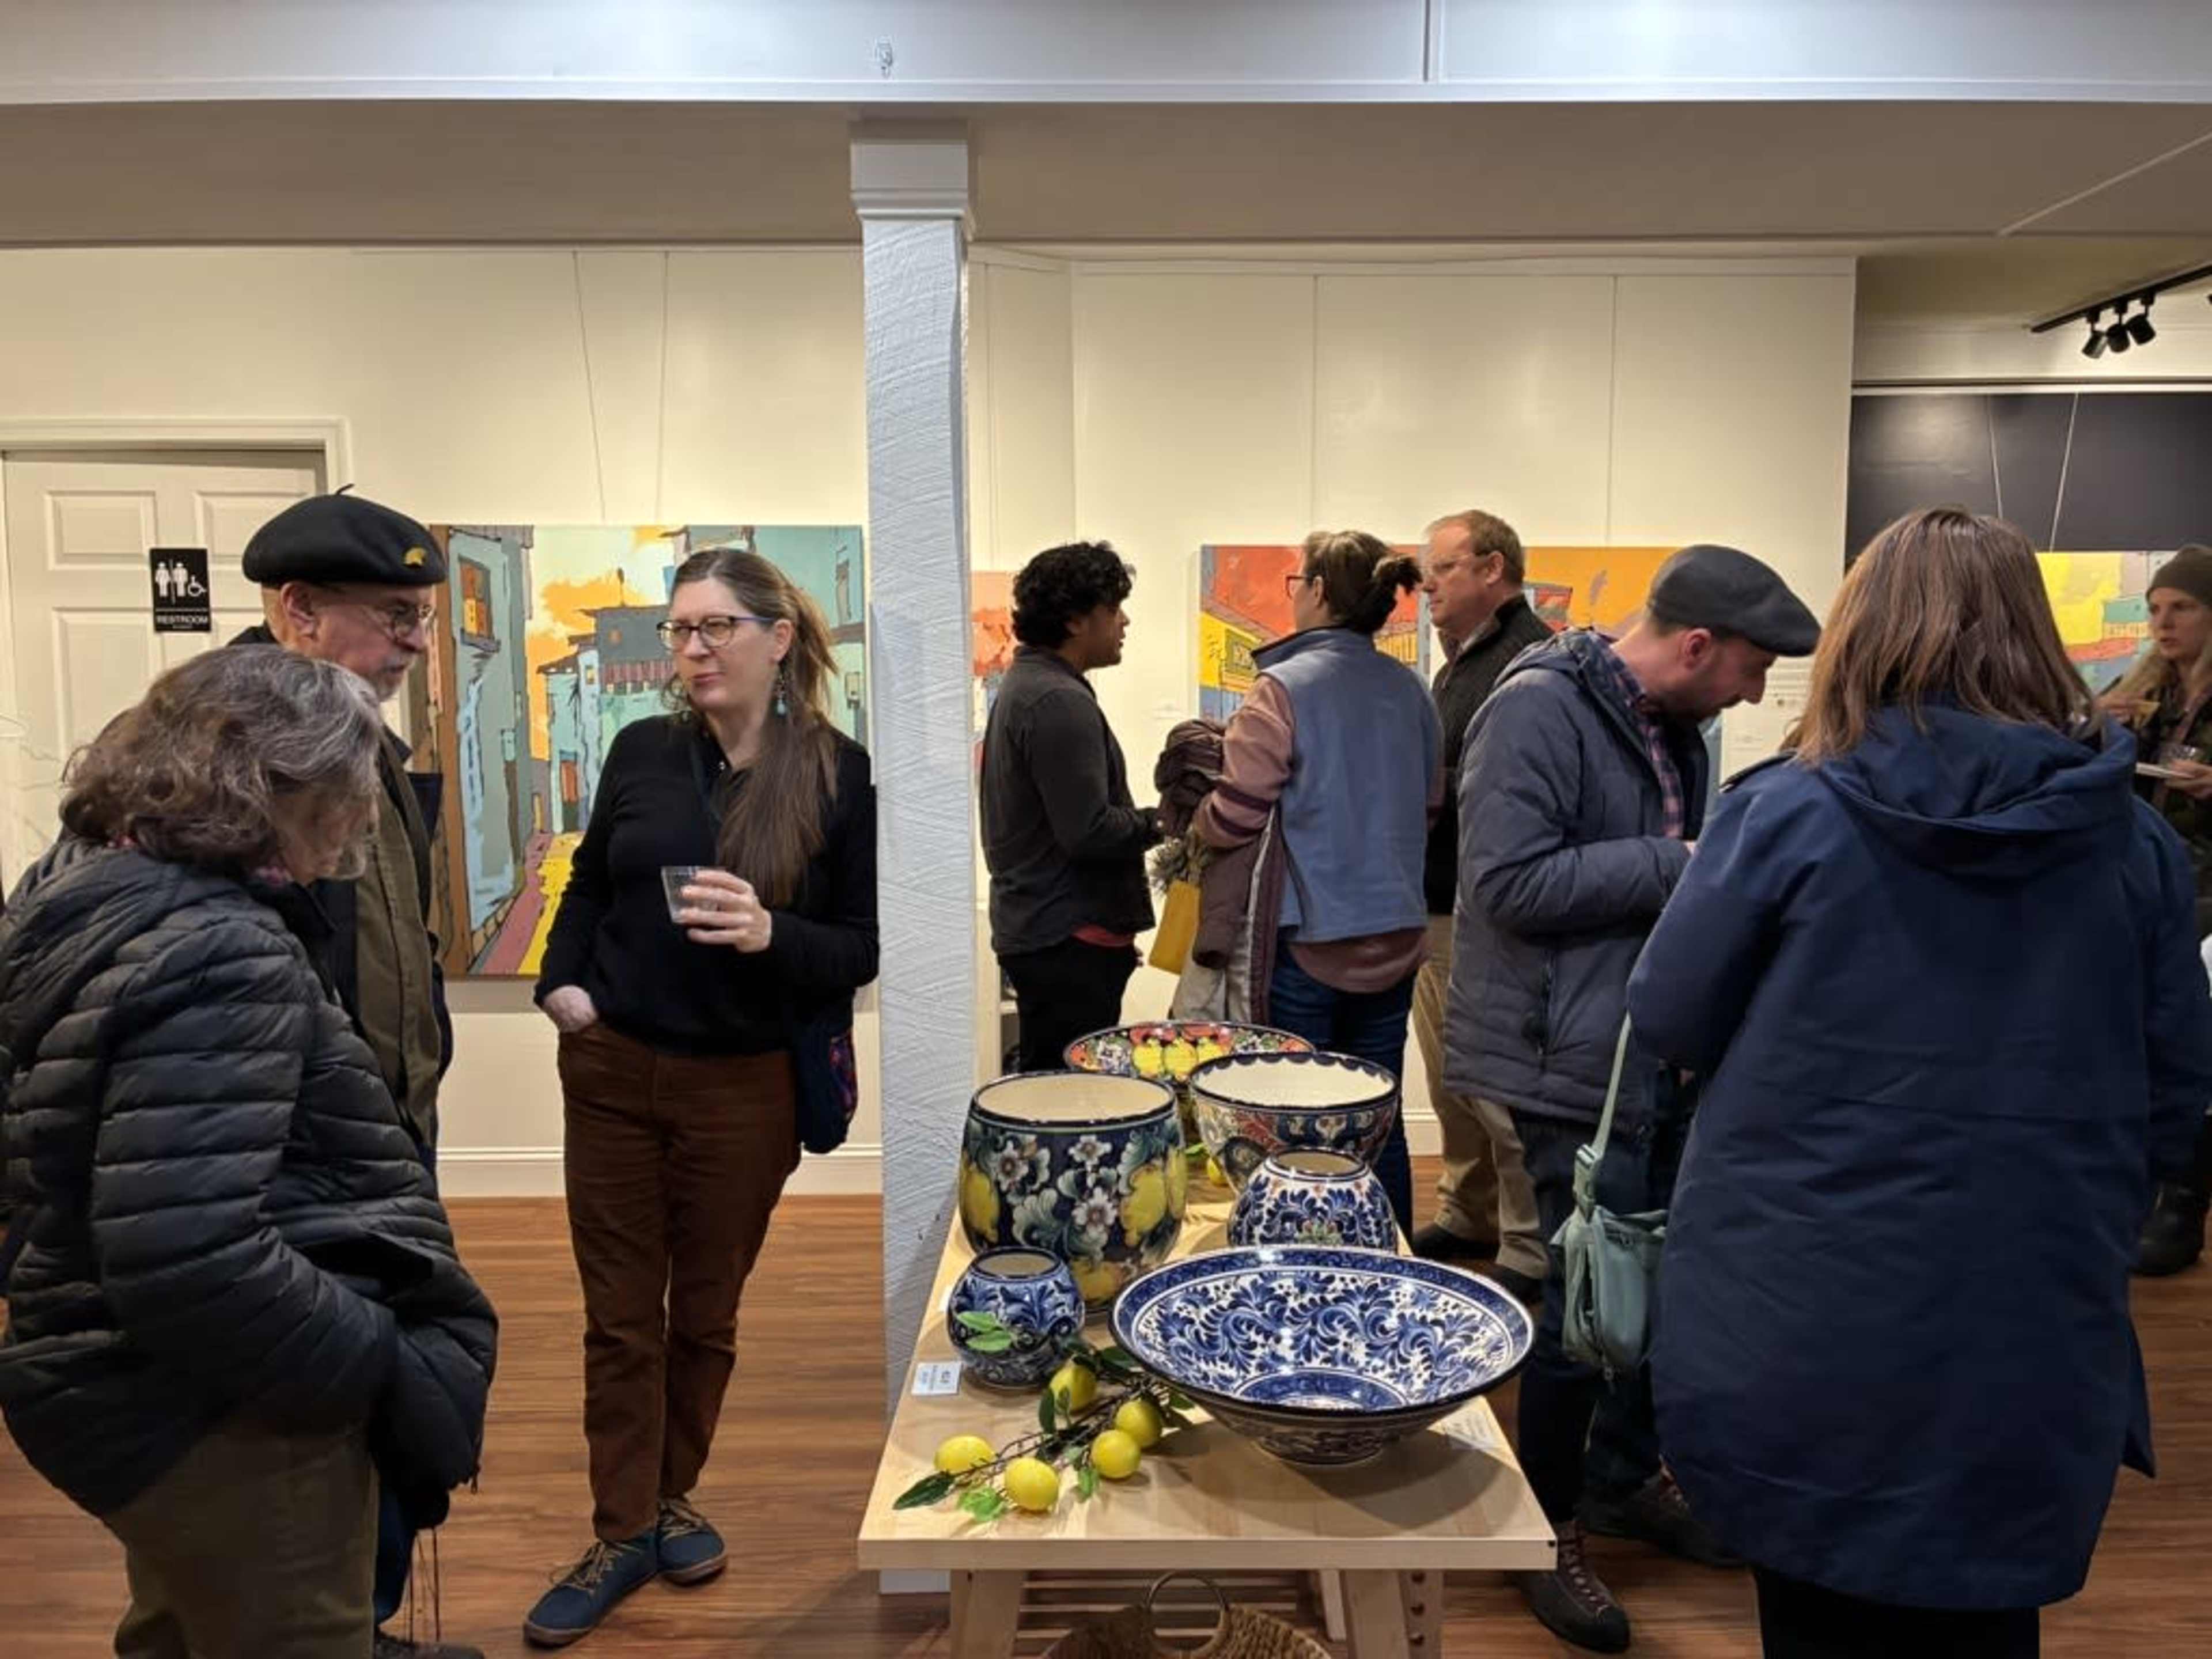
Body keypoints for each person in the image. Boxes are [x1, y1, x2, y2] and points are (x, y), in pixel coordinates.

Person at [1628, 508, 2212, 1659]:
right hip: (2026, 1301)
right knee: (1989, 1611)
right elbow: (2174, 1090)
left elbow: (1668, 1016)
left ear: (1862, 634)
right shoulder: (2131, 847)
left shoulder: (1784, 814)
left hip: (1802, 1297)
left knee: (1811, 1604)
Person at [0, 647, 497, 1659]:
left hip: (115, 1374)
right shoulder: (222, 948)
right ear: (278, 785)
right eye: (351, 787)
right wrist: (379, 1360)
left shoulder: (83, 891)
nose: (364, 815)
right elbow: (189, 1259)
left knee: (182, 1628)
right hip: (219, 1412)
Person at [1448, 543, 1818, 1652]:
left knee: (1651, 1292)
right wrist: (1695, 861)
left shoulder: (1673, 723)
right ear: (1698, 645)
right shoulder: (1536, 711)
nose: (1756, 695)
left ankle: (1617, 1483)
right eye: (1752, 669)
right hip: (1563, 1061)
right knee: (1579, 1311)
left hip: (1642, 1050)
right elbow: (1507, 883)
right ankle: (1546, 1527)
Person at [528, 545, 878, 1647]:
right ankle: (623, 1526)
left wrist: (775, 932)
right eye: (680, 631)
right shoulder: (640, 750)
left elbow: (861, 946)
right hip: (614, 1071)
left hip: (746, 1088)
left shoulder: (837, 771)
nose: (691, 650)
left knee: (707, 1313)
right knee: (621, 1315)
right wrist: (561, 980)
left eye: (714, 627)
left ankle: (672, 1492)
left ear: (779, 640)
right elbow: (589, 881)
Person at [233, 491, 469, 1658]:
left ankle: (357, 1630)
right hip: (290, 1165)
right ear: (299, 611)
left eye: (422, 616)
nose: (417, 641)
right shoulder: (225, 752)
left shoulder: (358, 734)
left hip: (381, 1136)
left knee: (375, 1405)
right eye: (395, 616)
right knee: (303, 1424)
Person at [1196, 529, 1441, 1232]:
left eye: (1297, 579)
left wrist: (1197, 823)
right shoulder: (1412, 690)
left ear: (1322, 592)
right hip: (1395, 933)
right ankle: (1388, 1267)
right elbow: (1428, 808)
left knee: (1297, 1123)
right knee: (1379, 1121)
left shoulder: (1283, 688)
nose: (1293, 591)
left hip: (1310, 938)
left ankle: (1301, 1273)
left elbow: (1239, 812)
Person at [1407, 507, 1555, 1298]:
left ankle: (1527, 1247)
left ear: (1493, 568)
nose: (1428, 583)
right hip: (1442, 902)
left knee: (1495, 1082)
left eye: (1444, 567)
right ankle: (1470, 1214)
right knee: (1450, 1079)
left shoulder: (1528, 663)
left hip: (1486, 909)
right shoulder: (1461, 666)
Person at [981, 541, 1161, 1070]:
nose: (1124, 622)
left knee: (1056, 1087)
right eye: (1113, 609)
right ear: (1078, 619)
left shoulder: (1033, 686)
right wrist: (1164, 820)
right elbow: (1088, 831)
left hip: (1052, 932)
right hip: (1066, 938)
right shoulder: (1056, 700)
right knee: (1069, 1099)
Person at [2104, 542, 2212, 1274]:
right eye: (2154, 611)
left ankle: (2184, 1198)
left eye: (2181, 608)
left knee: (2190, 1038)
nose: (2163, 624)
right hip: (2153, 880)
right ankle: (2139, 1185)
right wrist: (2106, 726)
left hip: (2210, 893)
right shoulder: (2148, 691)